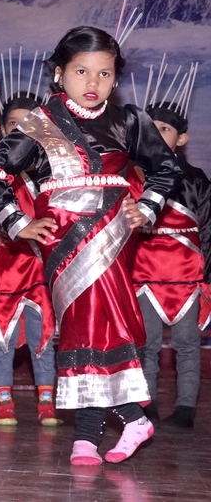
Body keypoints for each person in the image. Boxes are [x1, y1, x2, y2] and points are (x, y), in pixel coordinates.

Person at [0, 26, 181, 465]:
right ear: (59, 73)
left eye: (104, 74)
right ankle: (117, 425)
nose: (93, 83)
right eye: (81, 71)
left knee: (97, 328)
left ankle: (94, 435)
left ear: (116, 78)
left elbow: (166, 169)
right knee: (80, 329)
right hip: (60, 242)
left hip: (111, 237)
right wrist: (18, 222)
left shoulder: (129, 120)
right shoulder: (39, 122)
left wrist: (148, 207)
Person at [0, 93, 60, 427]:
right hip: (4, 268)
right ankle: (5, 402)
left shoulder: (54, 170)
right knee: (3, 339)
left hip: (41, 266)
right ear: (1, 129)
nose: (21, 129)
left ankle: (46, 403)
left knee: (43, 338)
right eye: (14, 123)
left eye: (30, 123)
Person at [130, 99, 211, 429]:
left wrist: (207, 277)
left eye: (165, 129)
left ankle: (185, 409)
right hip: (143, 274)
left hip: (186, 277)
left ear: (182, 138)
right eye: (151, 128)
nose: (157, 134)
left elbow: (208, 228)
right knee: (146, 345)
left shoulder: (195, 178)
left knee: (187, 345)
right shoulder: (132, 177)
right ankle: (146, 405)